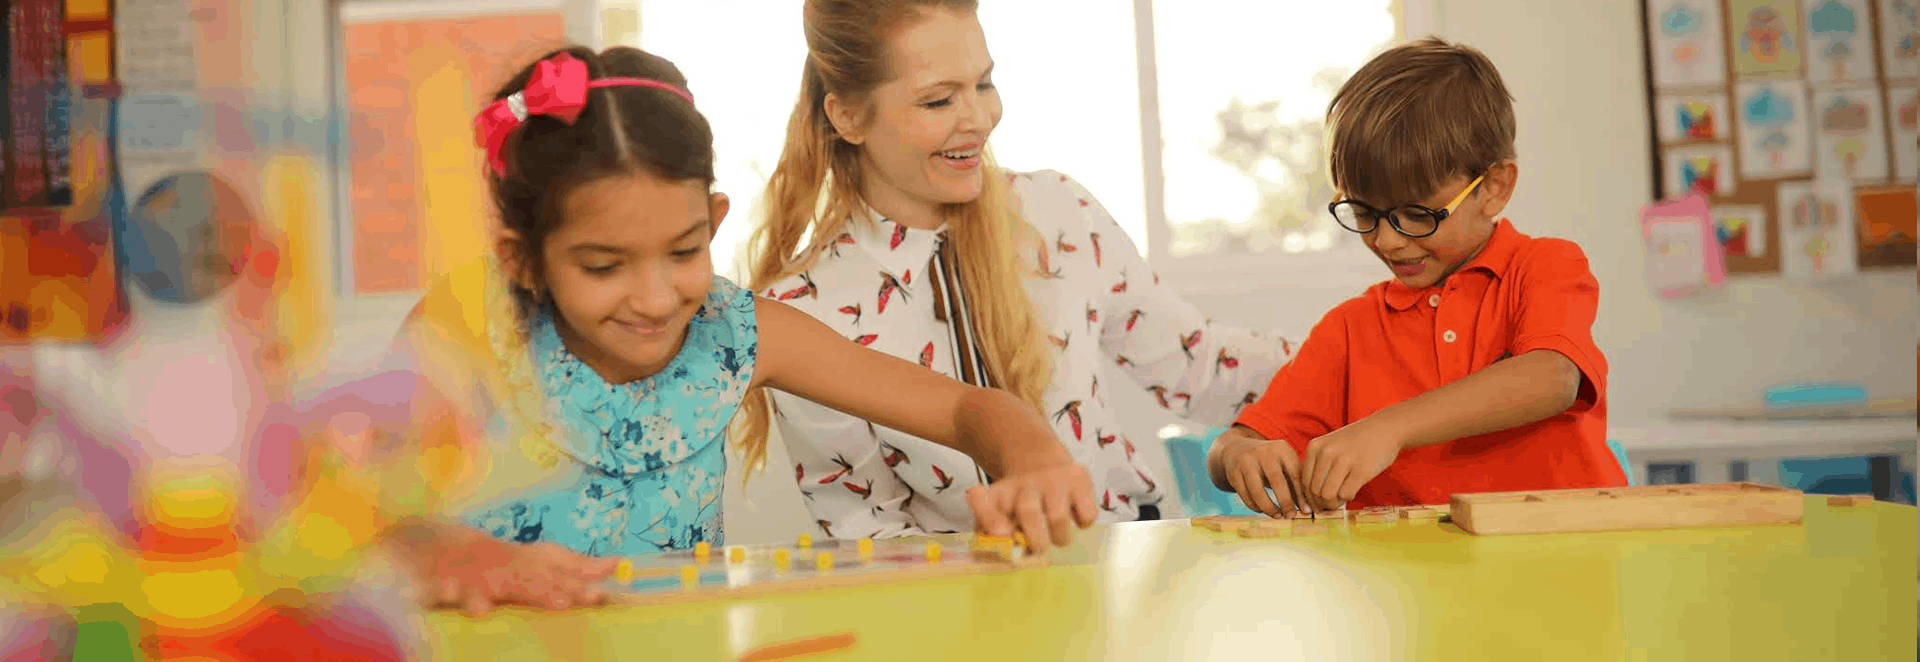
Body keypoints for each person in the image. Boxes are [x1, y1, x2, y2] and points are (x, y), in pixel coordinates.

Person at [392, 45, 1097, 586]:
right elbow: (348, 516)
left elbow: (965, 409)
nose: (657, 297)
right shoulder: (462, 328)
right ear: (522, 260)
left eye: (684, 250)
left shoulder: (733, 335)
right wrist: (448, 553)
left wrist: (1029, 455)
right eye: (604, 267)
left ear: (714, 220)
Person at [739, 0, 1294, 539]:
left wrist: (1358, 357)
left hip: (1126, 569)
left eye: (984, 84)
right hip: (957, 609)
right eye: (938, 101)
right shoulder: (802, 308)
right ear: (848, 117)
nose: (979, 120)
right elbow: (866, 528)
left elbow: (1197, 367)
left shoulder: (1059, 211)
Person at [1209, 37, 1625, 516]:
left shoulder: (1545, 266)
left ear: (1493, 188)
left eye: (1414, 213)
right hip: (1411, 584)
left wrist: (1386, 429)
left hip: (1567, 564)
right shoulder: (1350, 329)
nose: (1387, 241)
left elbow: (1552, 378)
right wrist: (1240, 455)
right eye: (1364, 212)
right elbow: (1235, 442)